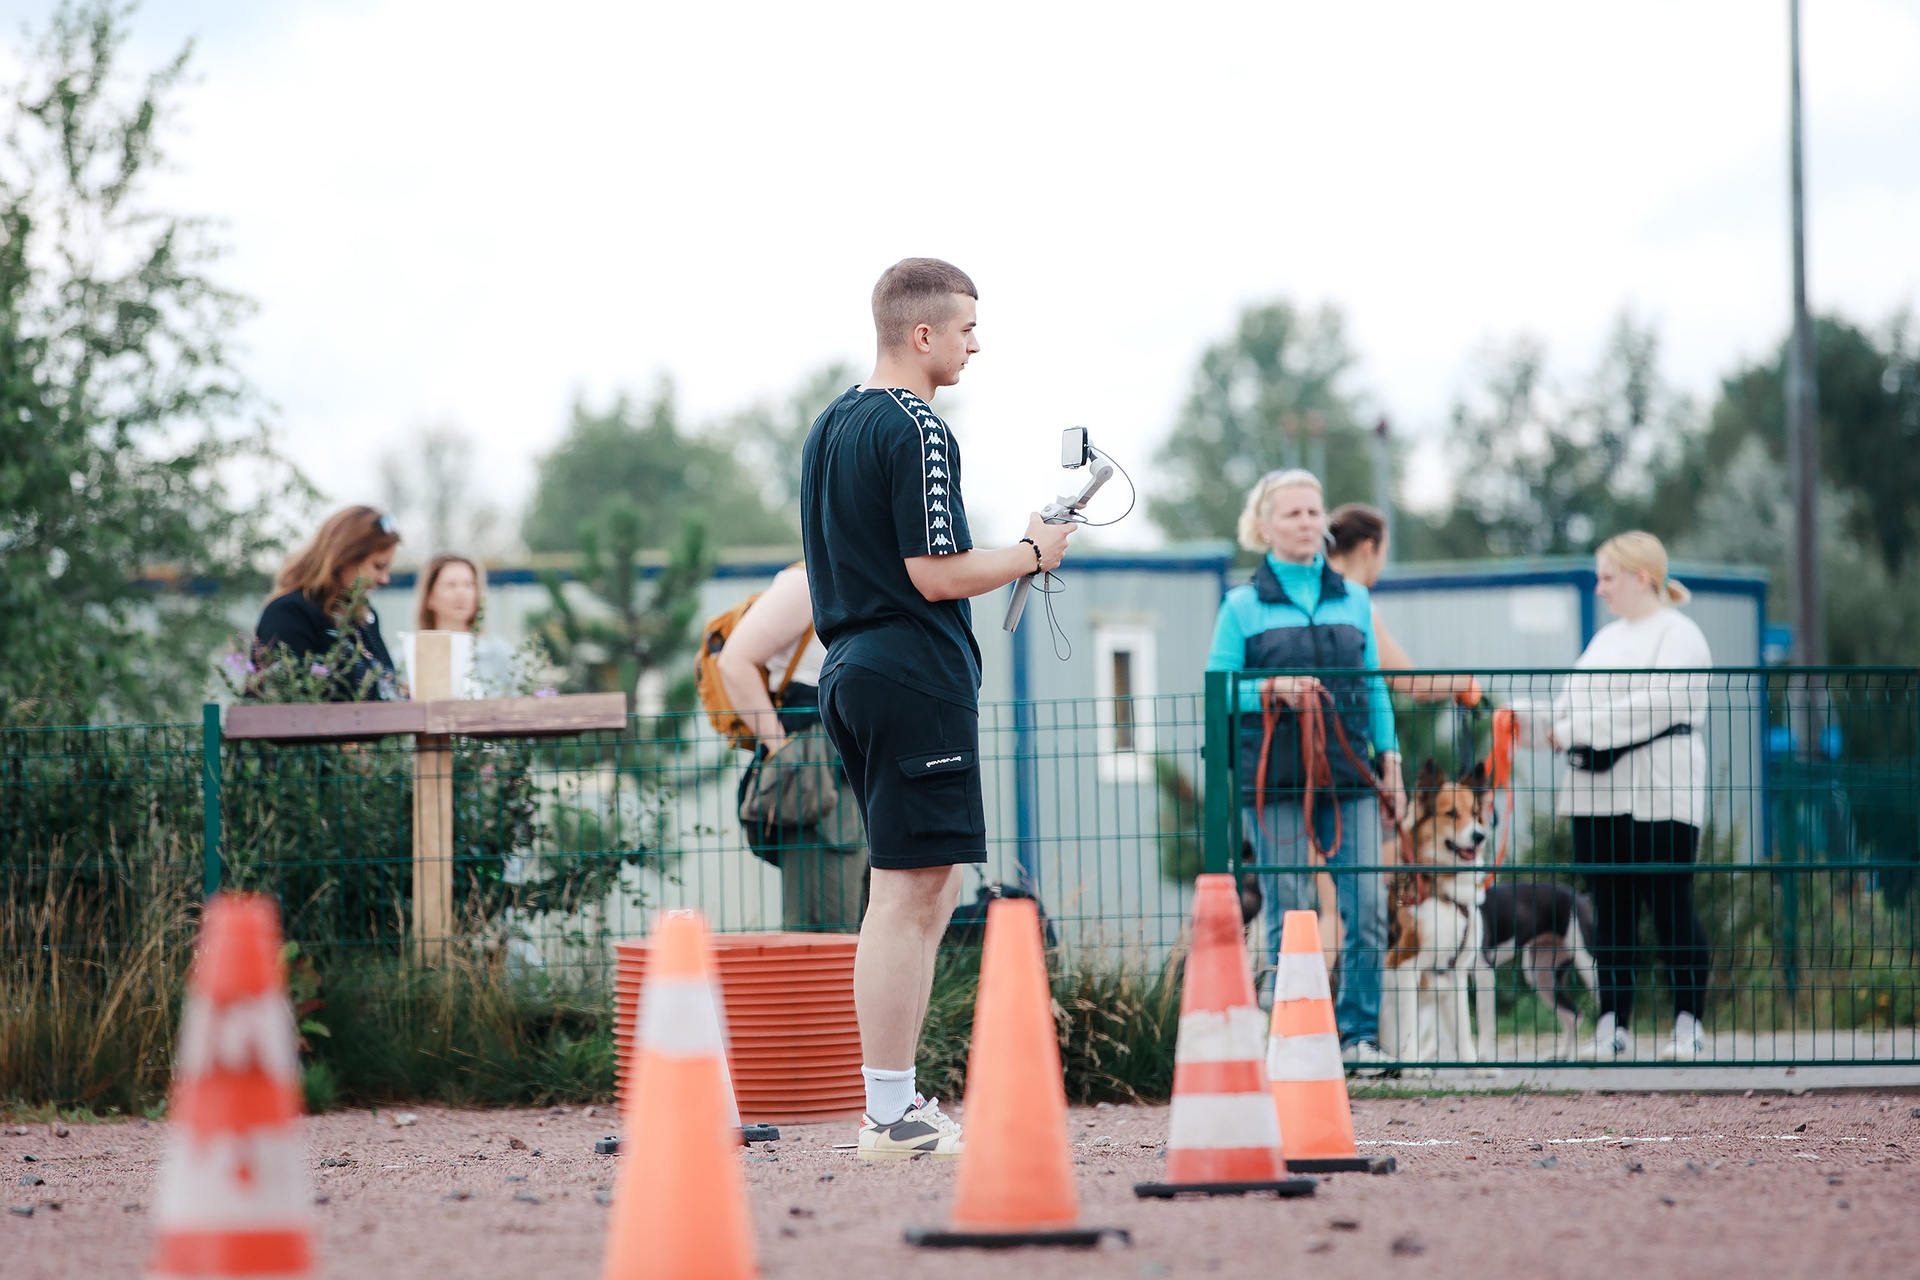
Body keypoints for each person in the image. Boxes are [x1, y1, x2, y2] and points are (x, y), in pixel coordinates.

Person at [800, 258, 1074, 1159]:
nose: (974, 345)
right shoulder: (917, 425)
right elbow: (934, 572)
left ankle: (897, 1104)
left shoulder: (831, 424)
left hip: (851, 667)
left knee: (922, 886)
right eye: (965, 329)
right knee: (906, 894)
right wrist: (1032, 552)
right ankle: (890, 1113)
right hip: (910, 671)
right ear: (922, 334)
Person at [1205, 470, 1403, 1072]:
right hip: (1274, 782)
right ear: (1264, 527)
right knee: (1291, 909)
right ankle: (1292, 1036)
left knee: (1367, 908)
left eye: (1314, 512)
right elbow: (1219, 691)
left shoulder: (1355, 599)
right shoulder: (1241, 606)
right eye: (1292, 514)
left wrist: (1390, 760)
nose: (1307, 523)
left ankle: (1358, 1037)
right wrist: (1272, 688)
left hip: (1350, 776)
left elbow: (1374, 688)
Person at [1523, 531, 1713, 1061]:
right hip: (1596, 794)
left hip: (1660, 790)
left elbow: (1656, 706)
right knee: (1610, 910)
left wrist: (1573, 729)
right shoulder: (1604, 641)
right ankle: (1613, 1023)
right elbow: (1567, 712)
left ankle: (1688, 1023)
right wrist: (1525, 723)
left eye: (1607, 577)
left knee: (1670, 904)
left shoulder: (1681, 635)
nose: (1600, 588)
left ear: (1640, 577)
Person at [717, 563, 867, 932]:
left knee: (864, 905)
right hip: (817, 750)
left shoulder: (864, 574)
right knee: (826, 920)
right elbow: (734, 661)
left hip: (855, 749)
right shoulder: (808, 581)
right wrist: (783, 752)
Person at [1325, 503, 1480, 704]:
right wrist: (1465, 682)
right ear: (1369, 548)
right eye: (1385, 551)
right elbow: (1413, 684)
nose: (1383, 563)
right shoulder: (1358, 606)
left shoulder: (1312, 596)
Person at [254, 506, 401, 700]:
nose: (385, 579)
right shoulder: (289, 614)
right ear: (343, 559)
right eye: (378, 566)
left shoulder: (363, 618)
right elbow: (292, 702)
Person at [410, 552, 514, 696]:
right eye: (451, 585)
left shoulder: (500, 653)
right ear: (429, 597)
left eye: (469, 585)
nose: (461, 593)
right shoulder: (407, 657)